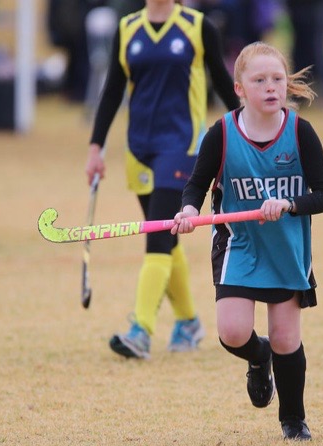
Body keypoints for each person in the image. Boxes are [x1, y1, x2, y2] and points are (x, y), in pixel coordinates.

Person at [172, 42, 323, 440]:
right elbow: (196, 185)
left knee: (286, 338)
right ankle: (257, 356)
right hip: (240, 245)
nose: (271, 87)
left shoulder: (300, 131)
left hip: (285, 246)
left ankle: (293, 420)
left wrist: (290, 203)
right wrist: (190, 212)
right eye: (259, 80)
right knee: (232, 331)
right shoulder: (223, 132)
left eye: (277, 79)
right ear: (240, 88)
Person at [84, 0, 239, 359]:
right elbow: (112, 91)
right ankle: (188, 321)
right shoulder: (127, 28)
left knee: (157, 240)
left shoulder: (198, 27)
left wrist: (247, 134)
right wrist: (96, 148)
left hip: (182, 148)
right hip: (139, 149)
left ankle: (141, 330)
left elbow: (221, 80)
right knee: (167, 241)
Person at [285, 0, 323, 105]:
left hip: (317, 8)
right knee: (299, 51)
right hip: (297, 9)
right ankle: (299, 93)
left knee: (317, 51)